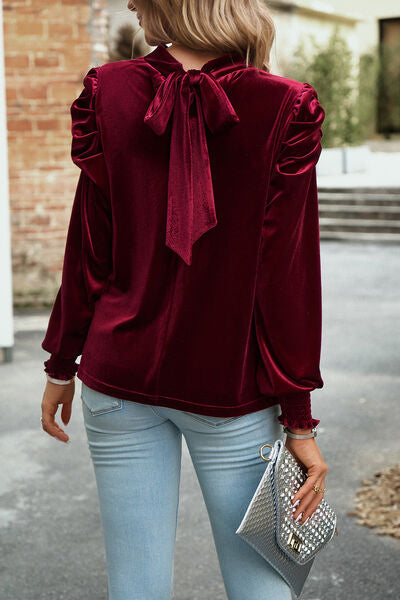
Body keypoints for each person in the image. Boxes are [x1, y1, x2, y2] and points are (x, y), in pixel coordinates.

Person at [40, 1, 328, 598]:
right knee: (262, 588)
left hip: (117, 378)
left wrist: (62, 364)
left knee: (135, 587)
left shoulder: (107, 91)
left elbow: (90, 249)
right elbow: (286, 278)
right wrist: (298, 420)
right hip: (231, 391)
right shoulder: (285, 106)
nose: (129, 3)